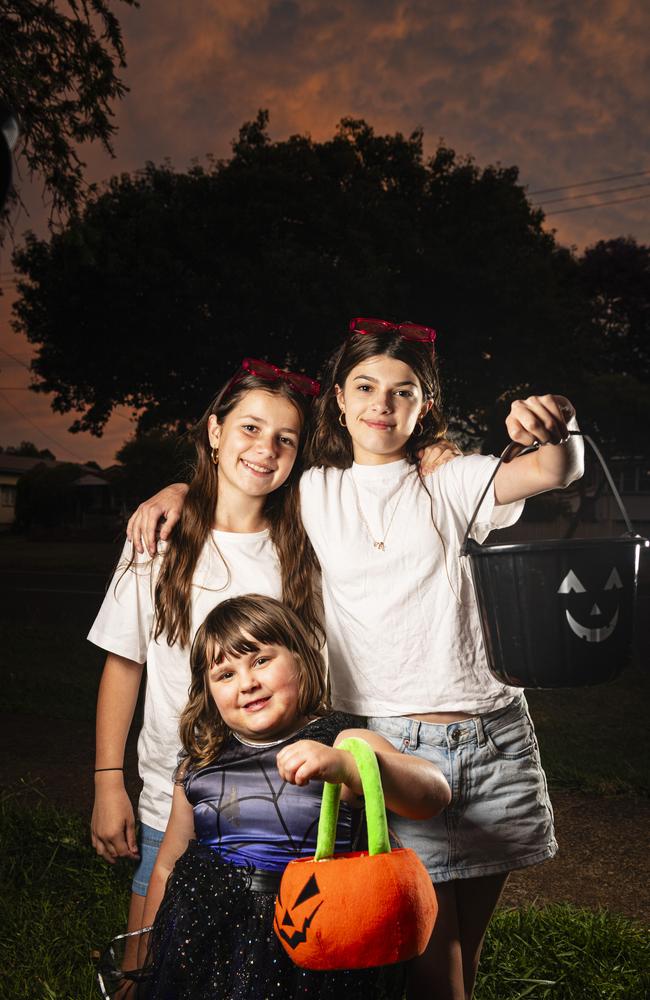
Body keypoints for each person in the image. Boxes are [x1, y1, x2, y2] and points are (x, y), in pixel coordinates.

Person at [128, 317, 584, 1000]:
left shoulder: (453, 479)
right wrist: (177, 491)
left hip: (492, 737)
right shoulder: (316, 491)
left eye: (403, 392)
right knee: (429, 957)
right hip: (388, 743)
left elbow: (555, 469)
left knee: (466, 952)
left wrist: (559, 423)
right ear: (337, 399)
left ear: (425, 406)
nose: (382, 403)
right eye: (365, 386)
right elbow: (241, 480)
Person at [100, 594, 451, 1000]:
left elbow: (433, 794)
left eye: (261, 660)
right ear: (208, 691)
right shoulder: (200, 759)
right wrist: (145, 962)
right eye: (225, 674)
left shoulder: (343, 741)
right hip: (208, 936)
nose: (247, 682)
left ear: (300, 659)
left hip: (311, 936)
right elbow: (166, 866)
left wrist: (349, 766)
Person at [88, 358, 324, 949]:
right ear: (214, 432)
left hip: (271, 801)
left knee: (248, 956)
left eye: (284, 439)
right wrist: (107, 782)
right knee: (146, 953)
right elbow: (124, 663)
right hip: (169, 787)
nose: (265, 449)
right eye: (249, 428)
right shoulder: (159, 538)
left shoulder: (306, 544)